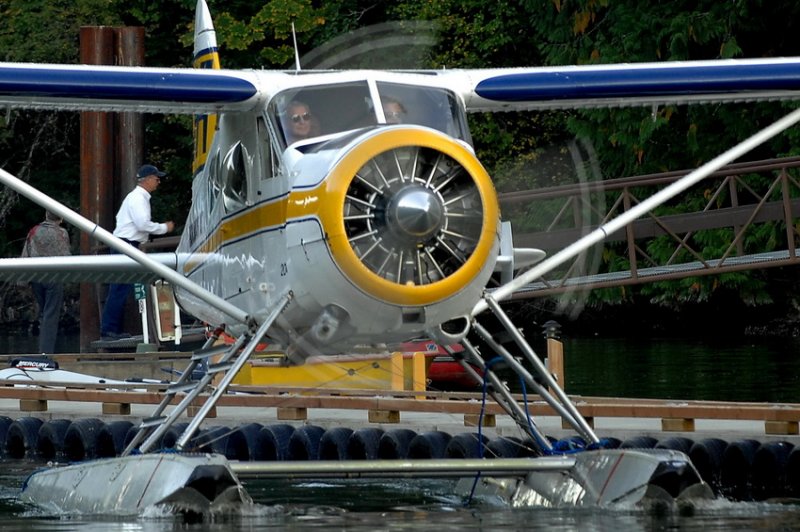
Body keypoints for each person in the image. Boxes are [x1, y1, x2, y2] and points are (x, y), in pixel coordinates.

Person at [100, 164, 175, 340]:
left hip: (125, 244)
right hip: (126, 245)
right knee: (119, 287)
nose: (158, 182)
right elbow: (142, 224)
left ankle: (112, 330)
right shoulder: (138, 198)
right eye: (157, 179)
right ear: (148, 179)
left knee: (120, 287)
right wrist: (164, 228)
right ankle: (109, 330)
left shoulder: (136, 197)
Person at [21, 210, 71, 354]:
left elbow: (26, 254)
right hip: (54, 278)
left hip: (37, 277)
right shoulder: (62, 233)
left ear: (46, 215)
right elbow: (66, 256)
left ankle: (43, 350)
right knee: (51, 315)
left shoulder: (34, 231)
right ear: (61, 218)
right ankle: (46, 353)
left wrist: (22, 281)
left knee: (44, 313)